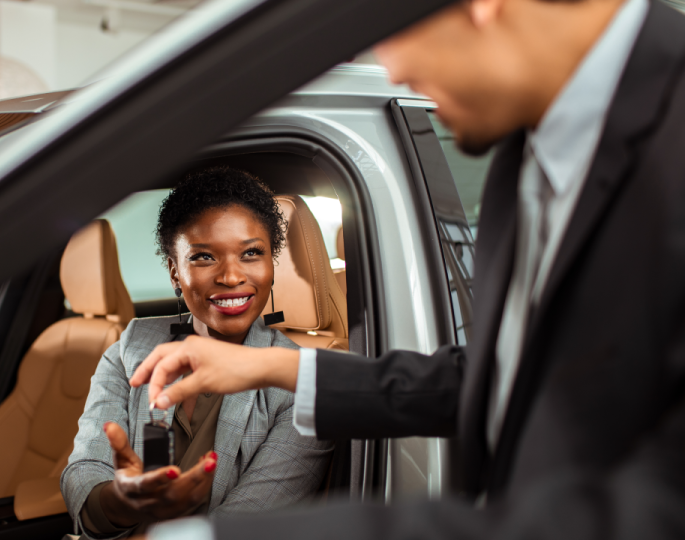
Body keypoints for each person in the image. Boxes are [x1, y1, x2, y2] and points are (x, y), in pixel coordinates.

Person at [130, 0, 685, 538]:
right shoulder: (528, 153)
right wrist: (269, 369)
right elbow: (497, 378)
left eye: (385, 24)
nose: (393, 67)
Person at [60, 167, 333, 538]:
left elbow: (249, 522)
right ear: (175, 272)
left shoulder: (299, 382)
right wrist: (121, 502)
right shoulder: (132, 345)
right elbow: (85, 469)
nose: (232, 277)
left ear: (273, 263)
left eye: (252, 253)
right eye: (204, 257)